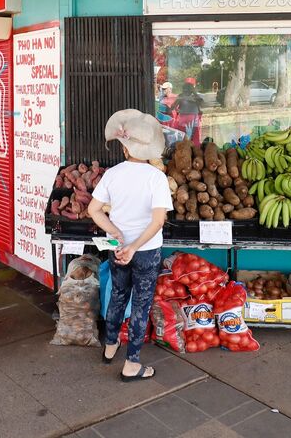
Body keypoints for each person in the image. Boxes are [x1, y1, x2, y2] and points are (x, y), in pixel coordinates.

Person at [87, 109, 171, 382]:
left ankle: (110, 346)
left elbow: (94, 210)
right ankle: (132, 364)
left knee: (118, 295)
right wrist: (134, 246)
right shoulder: (156, 177)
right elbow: (159, 221)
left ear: (125, 149)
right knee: (140, 305)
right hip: (145, 251)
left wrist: (117, 234)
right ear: (149, 151)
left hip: (118, 248)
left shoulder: (112, 174)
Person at [172, 79, 205, 144]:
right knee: (188, 136)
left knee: (190, 136)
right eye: (186, 89)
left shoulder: (194, 96)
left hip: (190, 118)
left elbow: (202, 104)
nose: (187, 90)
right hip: (188, 118)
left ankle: (190, 147)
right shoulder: (183, 96)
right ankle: (189, 147)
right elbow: (174, 106)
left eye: (189, 89)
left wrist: (194, 94)